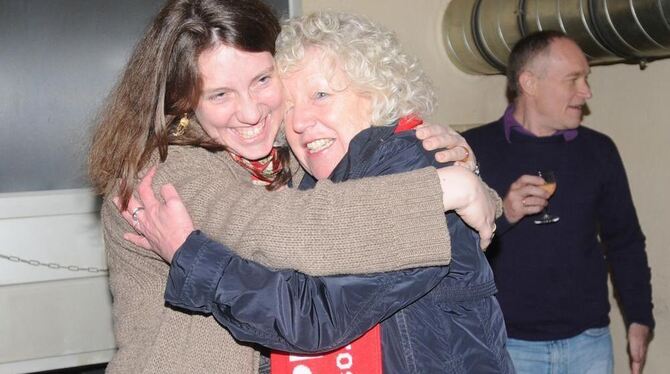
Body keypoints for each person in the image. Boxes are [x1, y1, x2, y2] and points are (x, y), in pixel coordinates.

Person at [88, 0, 497, 373]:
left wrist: (472, 172)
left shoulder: (281, 153)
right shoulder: (162, 170)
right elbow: (281, 228)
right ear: (182, 100)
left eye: (263, 80)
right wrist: (447, 190)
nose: (250, 112)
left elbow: (357, 183)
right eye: (220, 94)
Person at [463, 30, 654, 374]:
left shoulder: (599, 151)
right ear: (529, 83)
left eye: (586, 78)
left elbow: (624, 241)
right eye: (573, 80)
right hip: (507, 346)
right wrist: (502, 214)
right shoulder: (471, 151)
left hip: (590, 344)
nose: (587, 91)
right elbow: (448, 250)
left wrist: (640, 317)